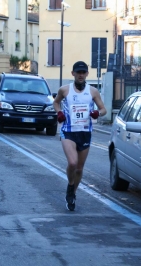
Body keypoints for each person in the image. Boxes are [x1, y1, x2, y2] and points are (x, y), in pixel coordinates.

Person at [53, 61, 107, 211]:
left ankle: (72, 193)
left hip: (85, 132)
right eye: (78, 72)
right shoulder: (65, 90)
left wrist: (97, 113)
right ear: (73, 74)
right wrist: (59, 113)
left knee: (79, 168)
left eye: (83, 72)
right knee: (72, 163)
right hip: (69, 131)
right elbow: (56, 103)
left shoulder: (93, 91)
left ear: (87, 74)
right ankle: (71, 187)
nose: (81, 75)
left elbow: (104, 110)